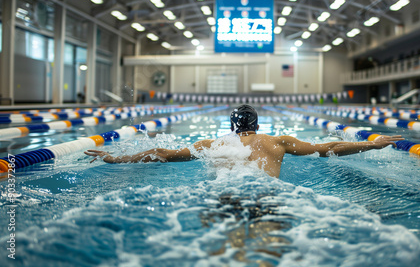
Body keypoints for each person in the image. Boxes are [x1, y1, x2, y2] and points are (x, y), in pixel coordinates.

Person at [85, 104, 403, 178]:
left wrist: (113, 158)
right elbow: (329, 148)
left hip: (226, 196)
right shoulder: (277, 141)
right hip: (267, 197)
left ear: (231, 126)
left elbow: (161, 152)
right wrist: (372, 144)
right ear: (258, 124)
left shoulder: (213, 144)